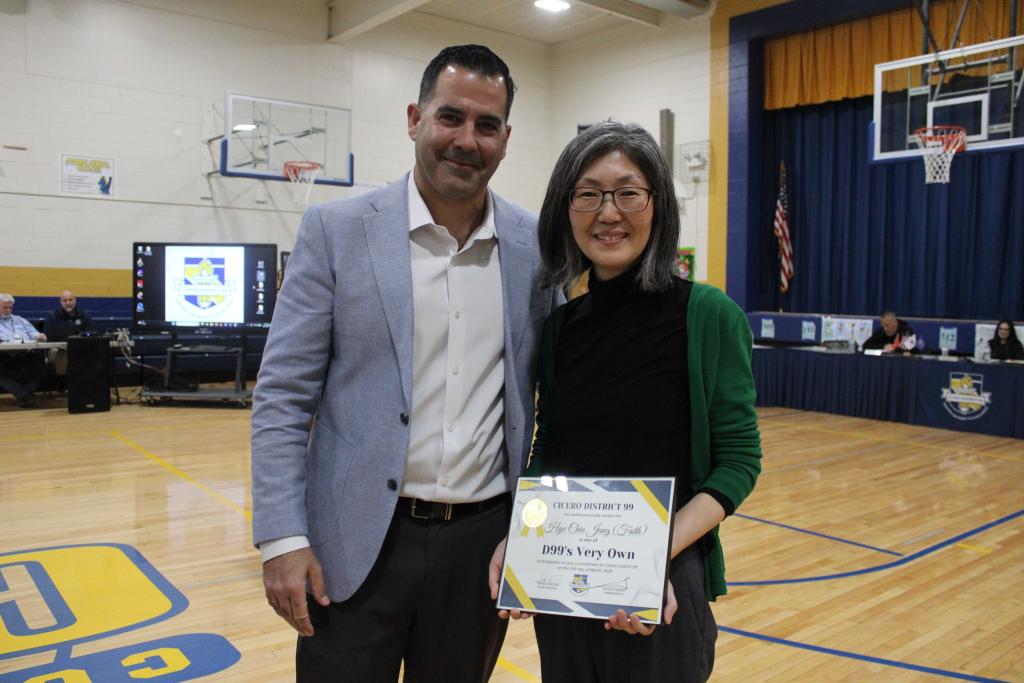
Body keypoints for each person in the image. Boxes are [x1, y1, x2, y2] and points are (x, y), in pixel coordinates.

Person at [251, 45, 561, 682]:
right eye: (451, 117)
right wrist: (283, 537)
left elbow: (558, 406)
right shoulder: (335, 232)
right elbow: (283, 395)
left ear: (506, 140)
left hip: (482, 550)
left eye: (486, 125)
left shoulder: (538, 248)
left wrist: (539, 534)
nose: (466, 140)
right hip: (353, 543)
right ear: (415, 118)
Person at [488, 122, 762, 682]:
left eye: (628, 193)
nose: (607, 213)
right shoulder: (560, 326)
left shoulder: (709, 315)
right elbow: (550, 447)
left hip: (666, 582)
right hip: (565, 580)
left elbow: (738, 463)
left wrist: (649, 559)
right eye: (587, 194)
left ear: (656, 204)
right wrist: (523, 536)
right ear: (565, 210)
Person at [0, 293, 47, 408]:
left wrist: (40, 336)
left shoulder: (20, 320)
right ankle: (26, 396)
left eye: (10, 307)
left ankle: (23, 395)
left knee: (41, 361)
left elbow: (35, 334)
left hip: (26, 353)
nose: (8, 310)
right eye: (4, 307)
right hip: (4, 355)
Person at [43, 290, 95, 375]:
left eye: (70, 300)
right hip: (57, 349)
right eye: (65, 300)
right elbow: (47, 337)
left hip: (80, 347)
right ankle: (65, 381)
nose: (68, 303)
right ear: (60, 302)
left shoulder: (84, 316)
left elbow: (91, 333)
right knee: (64, 353)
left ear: (75, 301)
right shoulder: (52, 317)